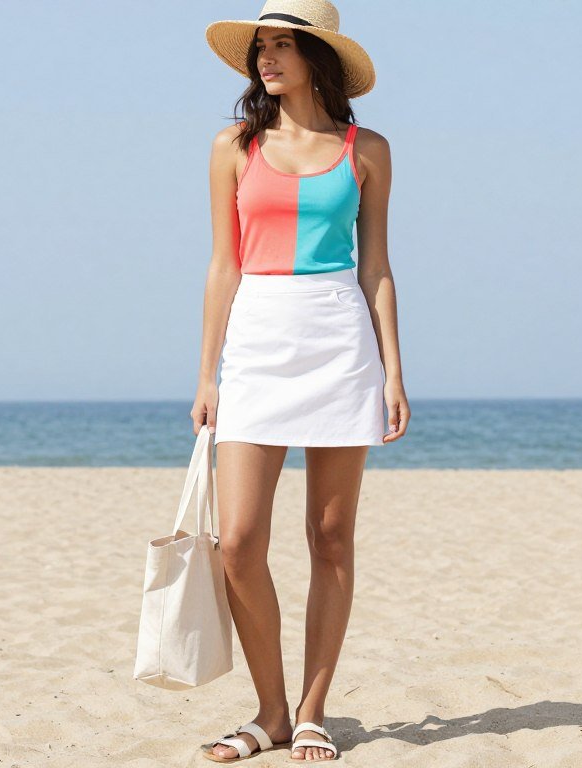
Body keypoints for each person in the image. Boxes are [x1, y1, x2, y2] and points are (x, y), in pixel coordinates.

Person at [193, 0, 409, 762]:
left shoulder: (367, 149)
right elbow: (222, 264)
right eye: (263, 46)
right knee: (239, 541)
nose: (267, 58)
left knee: (330, 536)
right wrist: (207, 374)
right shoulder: (233, 146)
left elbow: (376, 266)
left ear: (319, 59)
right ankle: (269, 710)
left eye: (283, 46)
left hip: (338, 337)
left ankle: (311, 711)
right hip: (256, 336)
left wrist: (393, 372)